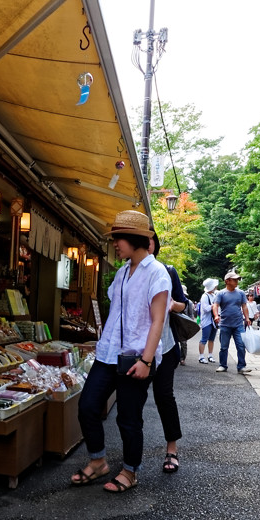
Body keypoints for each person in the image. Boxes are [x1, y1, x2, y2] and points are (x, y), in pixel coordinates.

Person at [71, 210, 170, 493]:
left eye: (118, 239)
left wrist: (146, 360)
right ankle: (98, 461)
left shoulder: (157, 272)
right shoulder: (123, 272)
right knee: (88, 406)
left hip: (136, 357)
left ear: (134, 239)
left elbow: (158, 320)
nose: (115, 244)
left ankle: (130, 471)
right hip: (108, 353)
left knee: (128, 417)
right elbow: (117, 311)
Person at [148, 232, 187, 473]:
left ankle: (171, 449)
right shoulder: (127, 272)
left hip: (166, 344)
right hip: (135, 348)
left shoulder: (167, 270)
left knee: (164, 397)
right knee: (132, 400)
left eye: (149, 240)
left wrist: (171, 304)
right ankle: (130, 456)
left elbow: (183, 303)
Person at [213, 271, 251, 374]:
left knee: (241, 345)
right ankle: (223, 365)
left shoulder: (241, 293)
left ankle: (241, 366)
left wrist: (247, 318)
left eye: (237, 280)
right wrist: (216, 315)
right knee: (224, 347)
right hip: (225, 324)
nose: (237, 282)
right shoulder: (221, 293)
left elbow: (244, 306)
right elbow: (215, 305)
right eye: (234, 280)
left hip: (238, 323)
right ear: (227, 281)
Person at [197, 278, 219, 363]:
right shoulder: (204, 296)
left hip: (213, 321)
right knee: (204, 339)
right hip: (206, 321)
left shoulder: (213, 295)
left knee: (212, 339)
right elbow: (205, 309)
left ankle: (210, 355)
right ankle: (201, 356)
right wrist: (214, 306)